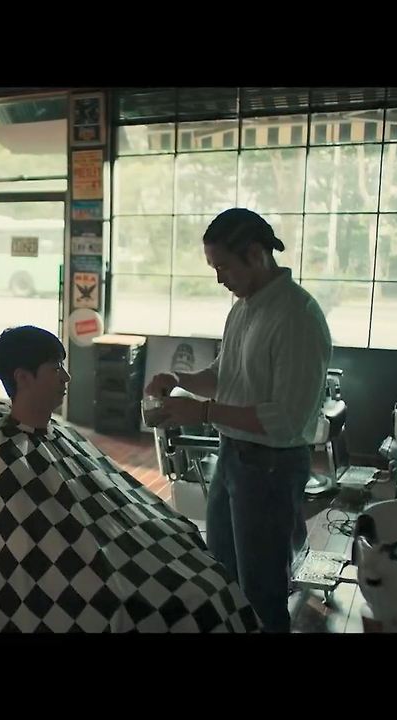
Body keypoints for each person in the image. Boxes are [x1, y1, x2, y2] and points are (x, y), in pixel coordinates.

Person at [0, 325, 261, 633]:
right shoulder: (9, 459)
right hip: (74, 578)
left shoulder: (60, 435)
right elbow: (41, 546)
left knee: (199, 567)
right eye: (56, 368)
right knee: (194, 599)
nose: (67, 377)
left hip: (114, 545)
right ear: (23, 378)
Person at [144, 207, 333, 633]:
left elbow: (286, 419)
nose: (219, 279)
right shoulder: (245, 309)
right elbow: (223, 376)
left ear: (254, 254)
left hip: (271, 467)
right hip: (233, 456)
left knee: (262, 589)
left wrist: (203, 412)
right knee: (222, 575)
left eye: (224, 267)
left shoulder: (297, 316)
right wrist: (179, 381)